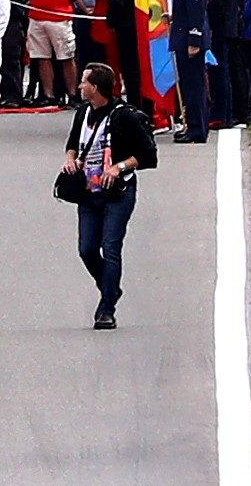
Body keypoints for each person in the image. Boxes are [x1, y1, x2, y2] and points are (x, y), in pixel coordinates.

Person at [61, 79, 163, 330]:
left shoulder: (124, 117)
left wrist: (119, 167)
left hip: (117, 193)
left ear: (97, 87)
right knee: (86, 249)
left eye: (84, 81)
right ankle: (111, 288)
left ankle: (106, 309)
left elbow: (148, 155)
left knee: (111, 247)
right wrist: (70, 160)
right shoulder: (83, 113)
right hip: (88, 192)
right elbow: (73, 144)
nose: (80, 85)